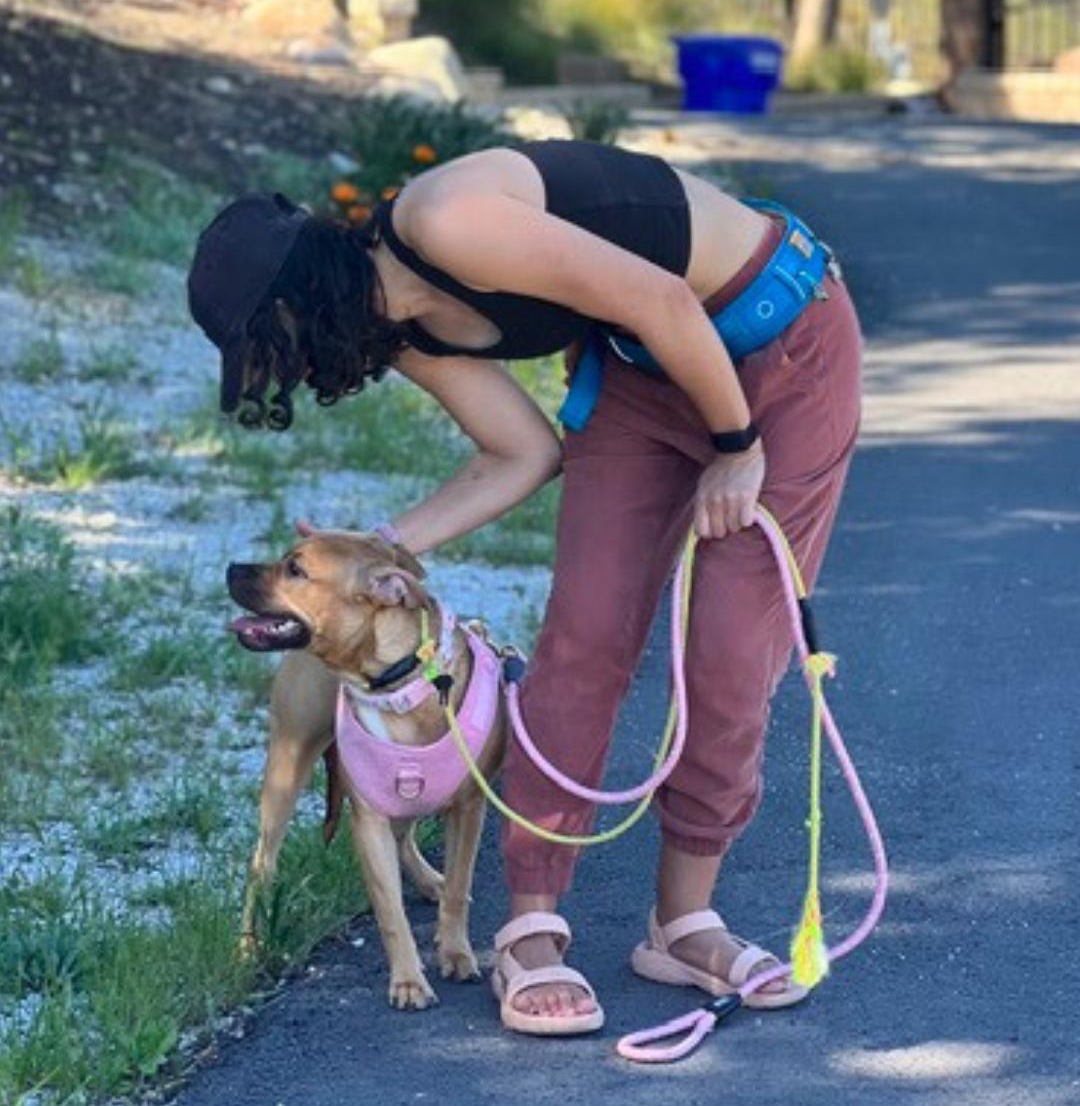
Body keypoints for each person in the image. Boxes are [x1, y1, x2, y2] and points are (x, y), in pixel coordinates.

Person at [187, 137, 862, 1036]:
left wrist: (736, 447)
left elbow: (664, 296)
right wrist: (383, 552)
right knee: (583, 641)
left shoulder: (443, 221)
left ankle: (684, 922)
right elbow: (525, 451)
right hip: (644, 371)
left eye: (271, 346)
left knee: (731, 655)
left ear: (295, 303)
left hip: (781, 349)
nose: (290, 372)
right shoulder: (405, 332)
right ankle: (532, 927)